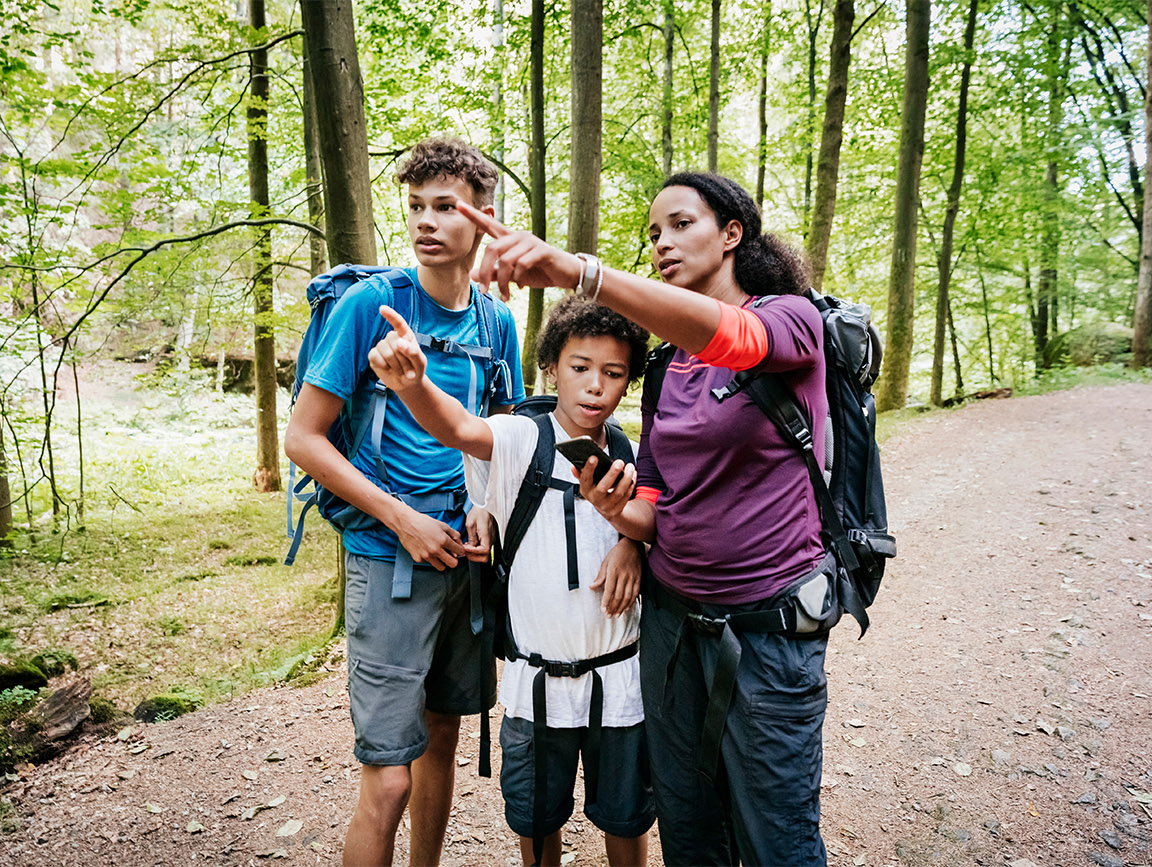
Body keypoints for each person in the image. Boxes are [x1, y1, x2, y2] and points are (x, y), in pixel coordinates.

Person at [454, 172, 832, 866]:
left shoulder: (789, 320)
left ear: (732, 233)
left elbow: (735, 339)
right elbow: (655, 492)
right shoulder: (669, 365)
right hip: (671, 624)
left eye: (681, 224)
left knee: (776, 831)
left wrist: (578, 272)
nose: (662, 242)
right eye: (654, 232)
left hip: (768, 629)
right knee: (688, 824)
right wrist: (619, 518)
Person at [284, 137, 525, 867]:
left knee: (443, 740)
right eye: (415, 206)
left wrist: (486, 510)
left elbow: (500, 441)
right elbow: (303, 438)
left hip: (467, 565)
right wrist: (401, 517)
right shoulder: (371, 304)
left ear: (483, 217)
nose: (424, 221)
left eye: (444, 206)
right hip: (387, 560)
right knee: (387, 778)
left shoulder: (498, 324)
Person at [368, 295, 656, 866]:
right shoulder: (521, 440)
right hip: (537, 686)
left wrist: (632, 544)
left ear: (628, 383)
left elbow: (661, 527)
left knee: (626, 818)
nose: (594, 386)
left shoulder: (632, 453)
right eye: (580, 368)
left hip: (620, 682)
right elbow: (458, 427)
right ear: (551, 367)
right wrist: (414, 386)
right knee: (536, 817)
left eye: (613, 373)